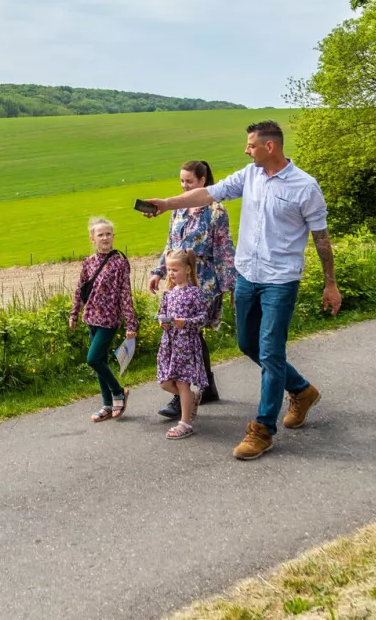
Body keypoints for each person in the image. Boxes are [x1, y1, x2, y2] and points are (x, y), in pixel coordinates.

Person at [145, 120, 340, 461]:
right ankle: (302, 391)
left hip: (280, 280)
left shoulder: (305, 186)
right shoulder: (249, 175)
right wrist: (167, 203)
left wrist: (331, 283)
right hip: (248, 274)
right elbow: (207, 193)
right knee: (248, 344)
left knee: (270, 350)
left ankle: (263, 430)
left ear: (269, 147)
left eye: (250, 145)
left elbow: (321, 238)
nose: (246, 150)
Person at [146, 159, 234, 419]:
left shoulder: (216, 211)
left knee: (185, 334)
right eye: (181, 181)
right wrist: (158, 271)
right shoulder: (178, 209)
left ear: (203, 182)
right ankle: (206, 388)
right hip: (178, 282)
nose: (184, 186)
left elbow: (225, 251)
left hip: (204, 282)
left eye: (189, 182)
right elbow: (170, 244)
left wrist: (229, 287)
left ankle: (180, 396)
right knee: (190, 335)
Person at [69, 216, 138, 422]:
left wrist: (131, 324)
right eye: (101, 235)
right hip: (91, 318)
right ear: (93, 239)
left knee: (93, 359)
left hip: (109, 320)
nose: (105, 237)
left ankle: (118, 392)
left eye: (108, 234)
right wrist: (74, 313)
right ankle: (107, 405)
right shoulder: (88, 263)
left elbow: (126, 294)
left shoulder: (120, 262)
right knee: (100, 361)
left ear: (113, 237)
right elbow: (80, 291)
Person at [156, 250, 222, 439]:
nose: (171, 274)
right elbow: (162, 312)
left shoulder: (194, 292)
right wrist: (162, 321)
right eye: (168, 270)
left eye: (175, 270)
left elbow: (203, 317)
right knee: (164, 382)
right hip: (169, 343)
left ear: (187, 269)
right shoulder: (168, 293)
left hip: (186, 343)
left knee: (182, 383)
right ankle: (191, 401)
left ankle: (185, 423)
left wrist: (185, 322)